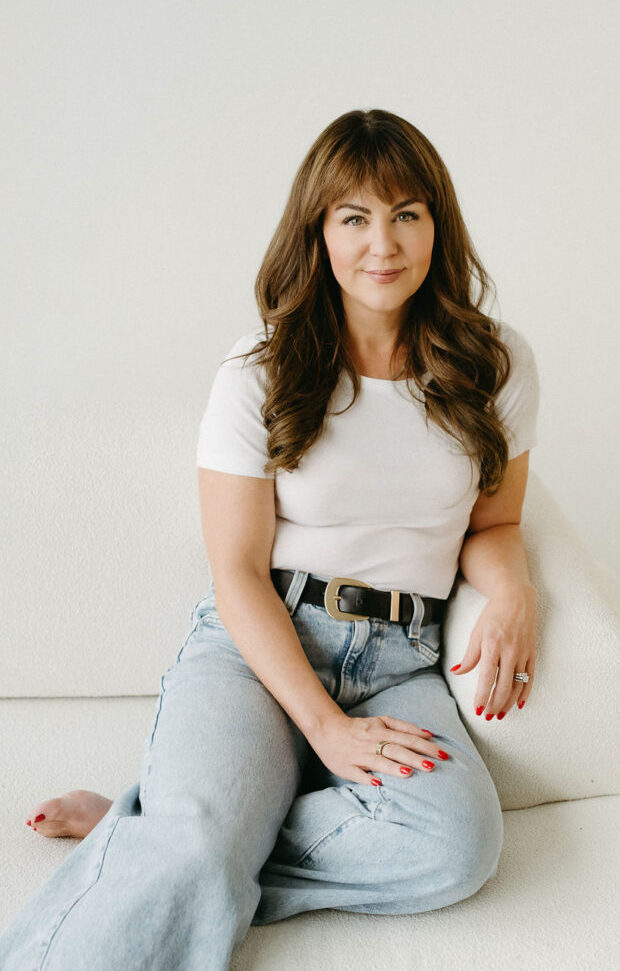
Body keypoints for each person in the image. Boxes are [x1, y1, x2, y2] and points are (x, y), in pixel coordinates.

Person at [0, 108, 540, 970]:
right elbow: (238, 570)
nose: (383, 243)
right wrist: (323, 728)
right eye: (353, 218)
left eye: (407, 213)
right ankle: (187, 841)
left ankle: (163, 836)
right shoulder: (263, 367)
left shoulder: (493, 364)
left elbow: (496, 522)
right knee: (198, 845)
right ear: (317, 232)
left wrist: (514, 591)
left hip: (402, 657)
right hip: (260, 643)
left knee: (452, 848)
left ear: (438, 222)